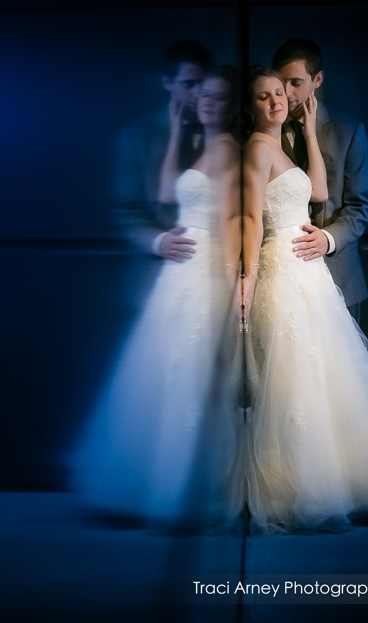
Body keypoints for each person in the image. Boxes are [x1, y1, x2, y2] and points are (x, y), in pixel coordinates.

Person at [239, 66, 368, 534]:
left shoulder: (283, 145)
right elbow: (249, 217)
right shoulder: (258, 147)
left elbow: (319, 192)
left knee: (325, 374)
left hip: (310, 272)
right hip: (281, 268)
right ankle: (299, 488)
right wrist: (248, 278)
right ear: (250, 107)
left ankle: (342, 482)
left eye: (280, 93)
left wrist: (306, 129)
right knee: (293, 378)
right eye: (263, 97)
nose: (275, 102)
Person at [69, 68, 244, 528]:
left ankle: (198, 486)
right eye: (204, 95)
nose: (209, 102)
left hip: (207, 266)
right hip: (178, 269)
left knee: (199, 374)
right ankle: (164, 482)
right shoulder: (199, 142)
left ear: (232, 105)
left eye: (220, 98)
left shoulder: (227, 148)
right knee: (167, 373)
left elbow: (232, 222)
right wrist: (173, 131)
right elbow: (168, 194)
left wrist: (230, 281)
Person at [272, 39, 368, 321]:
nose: (286, 93)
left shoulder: (348, 131)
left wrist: (327, 239)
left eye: (296, 82)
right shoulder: (261, 133)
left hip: (339, 279)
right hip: (281, 279)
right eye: (281, 82)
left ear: (317, 79)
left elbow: (360, 207)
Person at [115, 40, 214, 265]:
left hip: (217, 265)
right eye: (189, 84)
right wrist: (158, 242)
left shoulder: (230, 132)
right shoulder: (138, 136)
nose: (199, 93)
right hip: (158, 266)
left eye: (204, 83)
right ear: (167, 83)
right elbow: (130, 210)